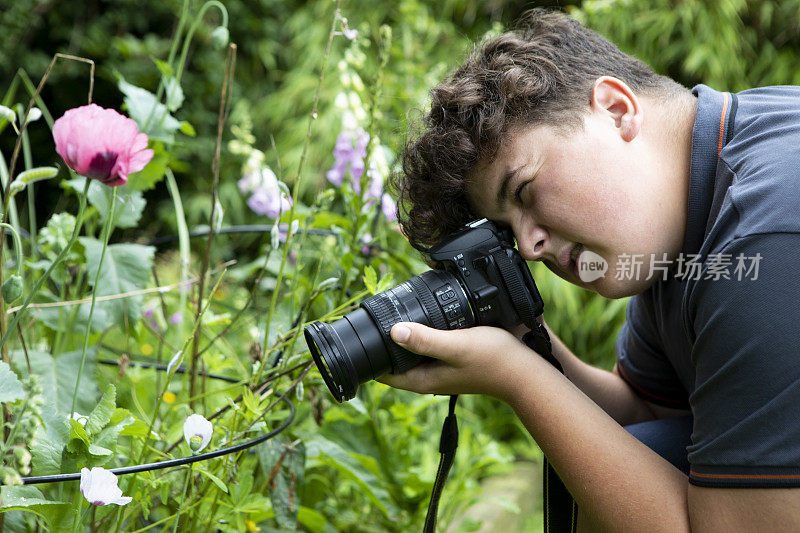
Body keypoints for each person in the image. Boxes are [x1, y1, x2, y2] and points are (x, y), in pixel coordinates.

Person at [379, 8, 800, 531]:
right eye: (509, 231)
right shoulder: (682, 218)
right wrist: (524, 341)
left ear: (616, 110)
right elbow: (652, 414)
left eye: (525, 191)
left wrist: (517, 377)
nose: (529, 248)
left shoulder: (767, 234)